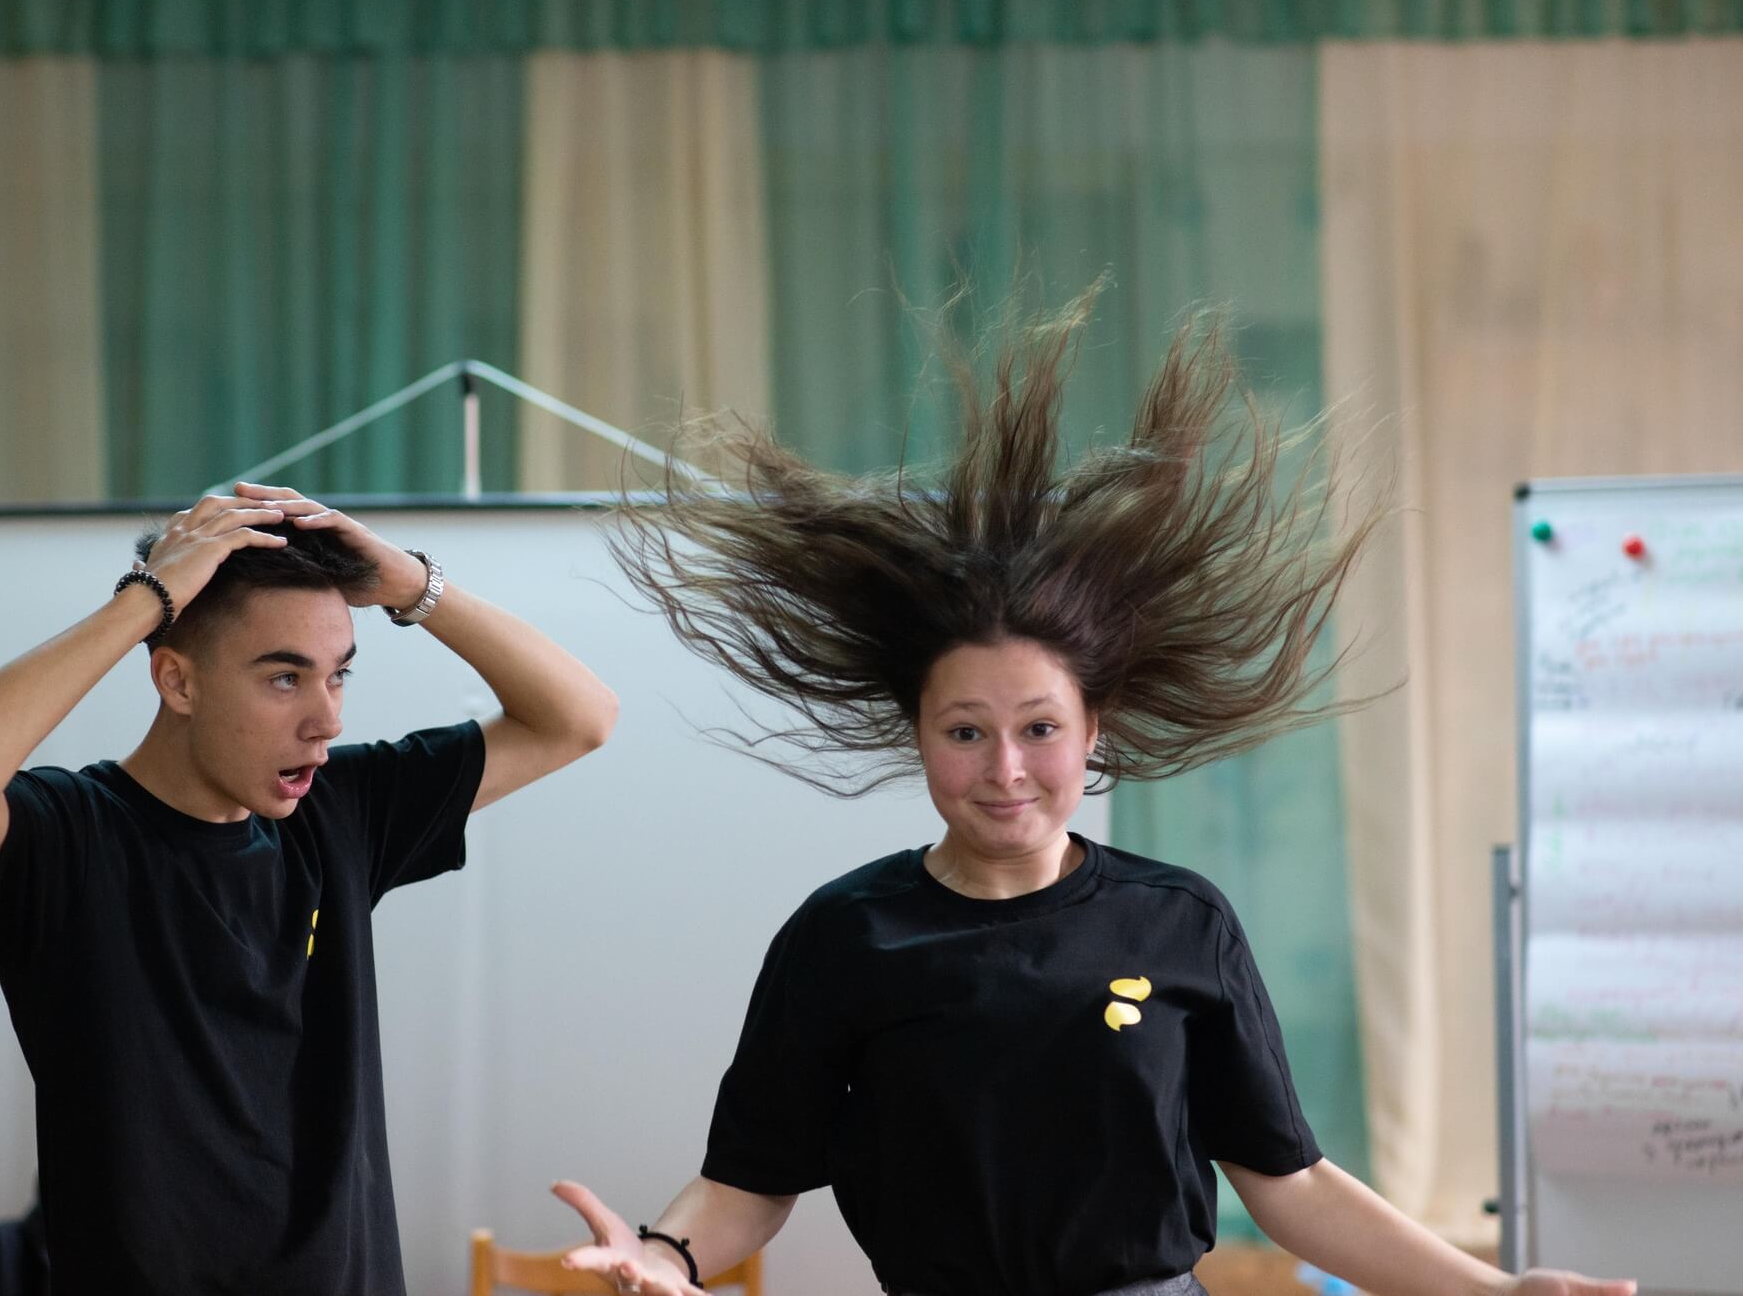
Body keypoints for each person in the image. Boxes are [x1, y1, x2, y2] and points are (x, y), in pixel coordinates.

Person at [551, 298, 1633, 1296]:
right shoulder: (843, 935)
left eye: (1039, 729)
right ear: (918, 733)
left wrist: (1494, 1290)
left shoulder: (1180, 920)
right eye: (964, 732)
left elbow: (1289, 1182)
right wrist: (664, 1253)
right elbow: (749, 1179)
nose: (1005, 770)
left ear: (1092, 730)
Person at [0, 481, 617, 1295]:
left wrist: (410, 583)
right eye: (284, 678)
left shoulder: (338, 813)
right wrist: (148, 600)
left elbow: (579, 716)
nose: (327, 720)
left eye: (338, 675)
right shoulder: (72, 837)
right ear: (178, 682)